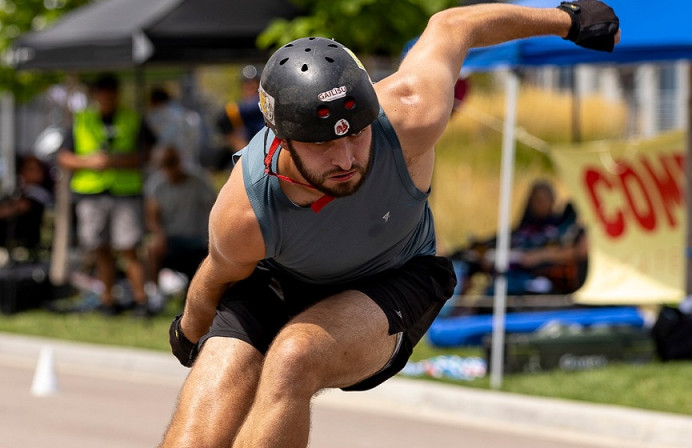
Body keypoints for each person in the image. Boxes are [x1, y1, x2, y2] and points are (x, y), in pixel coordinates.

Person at [160, 2, 619, 447]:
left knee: (293, 357)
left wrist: (569, 19)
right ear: (282, 139)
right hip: (281, 280)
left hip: (395, 278)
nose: (345, 160)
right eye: (321, 144)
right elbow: (217, 274)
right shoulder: (244, 210)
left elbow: (452, 25)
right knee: (204, 412)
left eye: (356, 133)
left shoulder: (410, 113)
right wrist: (190, 332)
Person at [56, 74, 156, 317]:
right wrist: (90, 162)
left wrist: (116, 161)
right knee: (100, 248)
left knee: (129, 247)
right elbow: (63, 157)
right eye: (102, 92)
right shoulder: (82, 120)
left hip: (125, 192)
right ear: (95, 95)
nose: (107, 97)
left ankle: (140, 300)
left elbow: (147, 154)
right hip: (91, 192)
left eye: (111, 92)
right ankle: (107, 300)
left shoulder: (132, 119)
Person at [451, 180, 588, 301]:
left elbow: (576, 251)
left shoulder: (561, 229)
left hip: (539, 281)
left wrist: (539, 256)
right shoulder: (523, 230)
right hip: (509, 274)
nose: (537, 203)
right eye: (534, 199)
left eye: (542, 199)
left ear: (552, 201)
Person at [144, 146, 216, 303]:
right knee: (151, 247)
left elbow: (214, 208)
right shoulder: (156, 185)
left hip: (198, 239)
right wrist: (159, 235)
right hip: (170, 239)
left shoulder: (198, 181)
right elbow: (152, 218)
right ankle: (154, 295)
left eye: (172, 164)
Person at [0, 155, 54, 257]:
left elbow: (23, 205)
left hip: (30, 246)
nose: (34, 173)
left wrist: (7, 209)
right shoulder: (20, 190)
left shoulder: (40, 193)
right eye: (29, 169)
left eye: (36, 169)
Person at [146, 87, 204, 174]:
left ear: (155, 101)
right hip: (189, 164)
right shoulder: (184, 113)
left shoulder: (158, 115)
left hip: (169, 166)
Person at [215, 65, 265, 154]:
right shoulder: (244, 106)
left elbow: (225, 115)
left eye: (254, 83)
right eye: (247, 83)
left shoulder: (261, 103)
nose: (251, 86)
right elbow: (222, 119)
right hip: (254, 152)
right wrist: (238, 144)